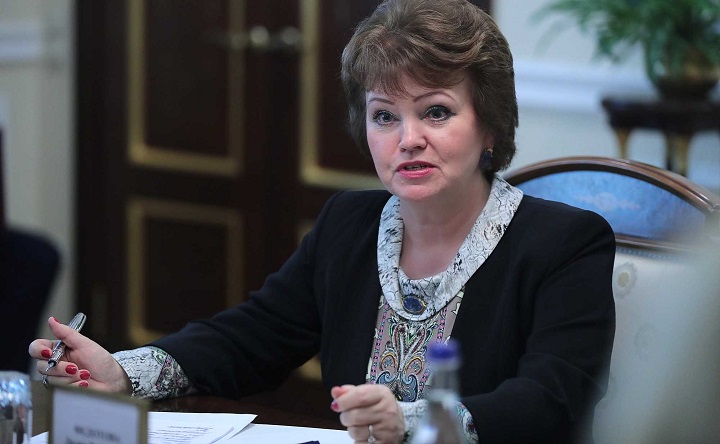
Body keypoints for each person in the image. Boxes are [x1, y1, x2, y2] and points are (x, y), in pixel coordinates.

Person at [29, 0, 616, 442]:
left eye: (436, 112)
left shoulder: (564, 243)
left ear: (489, 124)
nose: (409, 139)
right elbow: (252, 338)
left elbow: (552, 400)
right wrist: (123, 371)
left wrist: (411, 421)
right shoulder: (349, 224)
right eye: (384, 116)